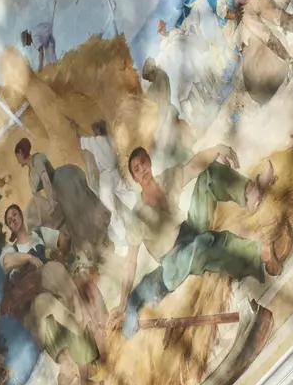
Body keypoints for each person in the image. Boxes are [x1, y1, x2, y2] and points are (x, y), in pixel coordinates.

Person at [107, 145, 277, 340]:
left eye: (143, 163)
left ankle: (251, 194)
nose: (142, 170)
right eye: (136, 169)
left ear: (150, 162)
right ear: (135, 178)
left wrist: (217, 149)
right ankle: (261, 253)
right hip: (174, 260)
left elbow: (194, 166)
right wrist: (122, 304)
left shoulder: (166, 179)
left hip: (190, 230)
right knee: (203, 244)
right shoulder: (138, 217)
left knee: (209, 174)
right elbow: (130, 263)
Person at [0, 203, 101, 385]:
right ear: (9, 227)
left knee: (64, 300)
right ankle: (82, 332)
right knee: (53, 302)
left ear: (21, 215)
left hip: (52, 285)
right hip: (33, 299)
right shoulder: (10, 250)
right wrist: (30, 259)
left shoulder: (38, 235)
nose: (13, 219)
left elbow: (64, 239)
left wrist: (61, 254)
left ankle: (85, 379)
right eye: (9, 219)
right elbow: (7, 263)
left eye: (14, 214)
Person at [15, 136, 111, 256]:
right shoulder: (30, 174)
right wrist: (47, 206)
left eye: (17, 156)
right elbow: (37, 195)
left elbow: (46, 180)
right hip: (57, 193)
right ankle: (93, 247)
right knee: (72, 219)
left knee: (80, 210)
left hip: (63, 182)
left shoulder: (37, 159)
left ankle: (101, 239)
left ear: (21, 152)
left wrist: (51, 203)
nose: (17, 160)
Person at [79, 120, 135, 248]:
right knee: (128, 194)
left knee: (109, 208)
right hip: (115, 171)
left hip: (106, 177)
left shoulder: (94, 141)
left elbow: (79, 142)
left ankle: (122, 237)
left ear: (98, 130)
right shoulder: (111, 139)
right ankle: (139, 214)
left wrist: (75, 130)